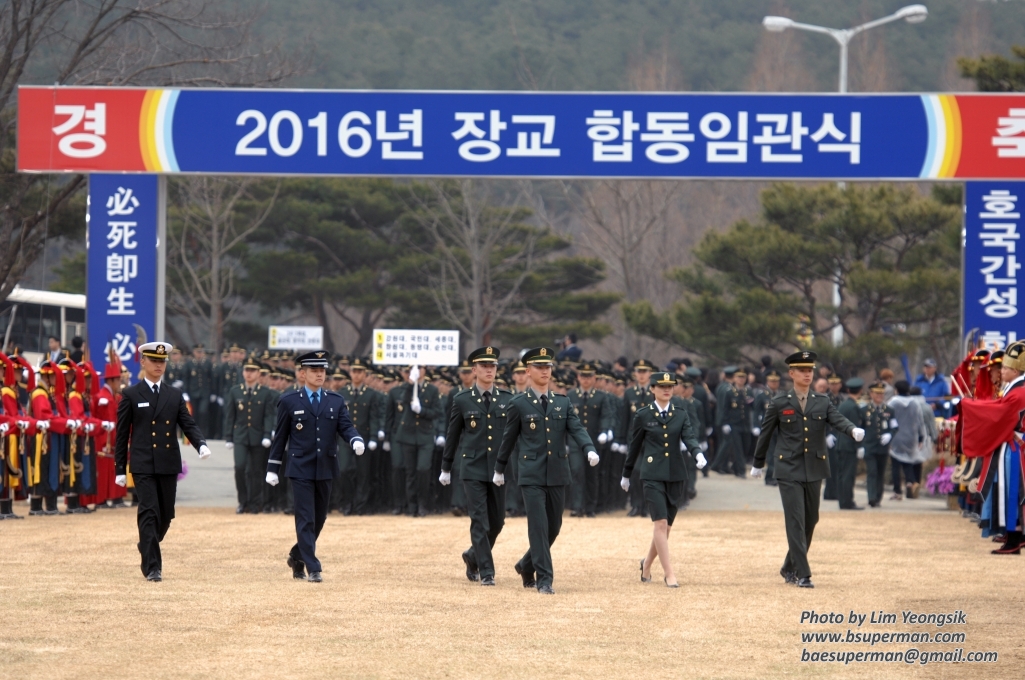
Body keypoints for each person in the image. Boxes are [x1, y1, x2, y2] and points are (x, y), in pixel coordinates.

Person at [751, 351, 863, 588]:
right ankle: (803, 573)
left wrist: (852, 430)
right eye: (802, 370)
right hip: (788, 468)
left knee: (811, 520)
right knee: (795, 521)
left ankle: (788, 566)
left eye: (810, 370)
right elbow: (766, 434)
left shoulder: (822, 401)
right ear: (791, 373)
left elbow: (837, 419)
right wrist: (758, 463)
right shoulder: (780, 402)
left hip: (814, 466)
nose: (807, 374)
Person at [493, 347, 597, 595]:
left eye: (548, 367)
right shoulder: (518, 403)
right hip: (530, 473)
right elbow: (508, 439)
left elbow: (577, 429)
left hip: (558, 471)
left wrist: (588, 448)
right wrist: (499, 468)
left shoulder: (562, 401)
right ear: (528, 371)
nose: (544, 371)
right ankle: (545, 579)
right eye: (539, 367)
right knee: (538, 525)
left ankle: (525, 564)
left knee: (554, 527)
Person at [114, 342, 212, 582]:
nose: (159, 365)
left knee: (166, 515)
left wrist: (200, 444)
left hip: (168, 462)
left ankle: (146, 544)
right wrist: (120, 469)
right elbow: (122, 434)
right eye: (154, 361)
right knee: (149, 511)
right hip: (143, 463)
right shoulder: (131, 394)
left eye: (162, 361)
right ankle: (153, 567)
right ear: (143, 362)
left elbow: (187, 423)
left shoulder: (174, 394)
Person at [265, 351, 363, 582]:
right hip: (300, 467)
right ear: (302, 373)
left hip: (326, 466)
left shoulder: (335, 400)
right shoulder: (289, 401)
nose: (320, 375)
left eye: (322, 371)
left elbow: (346, 427)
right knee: (306, 517)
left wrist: (355, 439)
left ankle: (297, 556)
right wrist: (272, 467)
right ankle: (313, 567)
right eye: (314, 371)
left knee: (319, 518)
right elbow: (280, 437)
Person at [621, 372, 704, 587]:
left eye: (670, 386)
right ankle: (669, 573)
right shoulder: (643, 415)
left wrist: (698, 453)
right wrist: (626, 473)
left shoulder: (680, 413)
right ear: (653, 389)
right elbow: (635, 446)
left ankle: (646, 563)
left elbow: (689, 437)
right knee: (659, 523)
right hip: (651, 474)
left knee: (666, 528)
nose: (667, 389)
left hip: (676, 474)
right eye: (661, 386)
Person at [440, 346, 513, 586]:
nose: (489, 370)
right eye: (484, 366)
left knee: (498, 521)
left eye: (492, 366)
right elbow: (453, 436)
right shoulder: (461, 399)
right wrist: (446, 467)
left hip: (497, 470)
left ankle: (473, 556)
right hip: (472, 468)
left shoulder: (506, 398)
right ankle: (487, 571)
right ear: (474, 370)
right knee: (479, 520)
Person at [224, 354, 276, 514]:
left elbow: (268, 415)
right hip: (240, 436)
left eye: (253, 370)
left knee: (256, 471)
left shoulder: (265, 393)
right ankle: (243, 501)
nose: (249, 373)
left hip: (258, 436)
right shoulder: (235, 391)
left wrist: (267, 434)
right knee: (239, 468)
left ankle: (254, 503)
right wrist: (228, 437)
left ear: (259, 373)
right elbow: (230, 415)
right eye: (247, 370)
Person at [859, 383, 898, 508]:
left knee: (880, 472)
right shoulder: (864, 410)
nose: (879, 396)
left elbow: (894, 427)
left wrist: (890, 435)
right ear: (871, 394)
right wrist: (860, 445)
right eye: (877, 393)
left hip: (882, 447)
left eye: (881, 393)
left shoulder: (889, 410)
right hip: (869, 446)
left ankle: (878, 498)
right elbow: (860, 428)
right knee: (872, 471)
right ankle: (871, 497)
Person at [888, 380, 924, 501]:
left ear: (896, 390)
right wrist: (921, 437)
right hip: (911, 437)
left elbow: (887, 418)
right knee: (908, 462)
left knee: (895, 464)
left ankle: (897, 491)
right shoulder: (915, 403)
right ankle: (911, 482)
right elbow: (920, 421)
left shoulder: (892, 403)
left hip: (896, 436)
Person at [835, 378, 865, 510]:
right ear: (861, 390)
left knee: (842, 474)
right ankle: (847, 501)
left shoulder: (843, 404)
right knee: (848, 475)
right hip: (849, 445)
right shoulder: (853, 407)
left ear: (848, 390)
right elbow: (854, 430)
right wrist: (859, 446)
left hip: (841, 443)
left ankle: (843, 500)